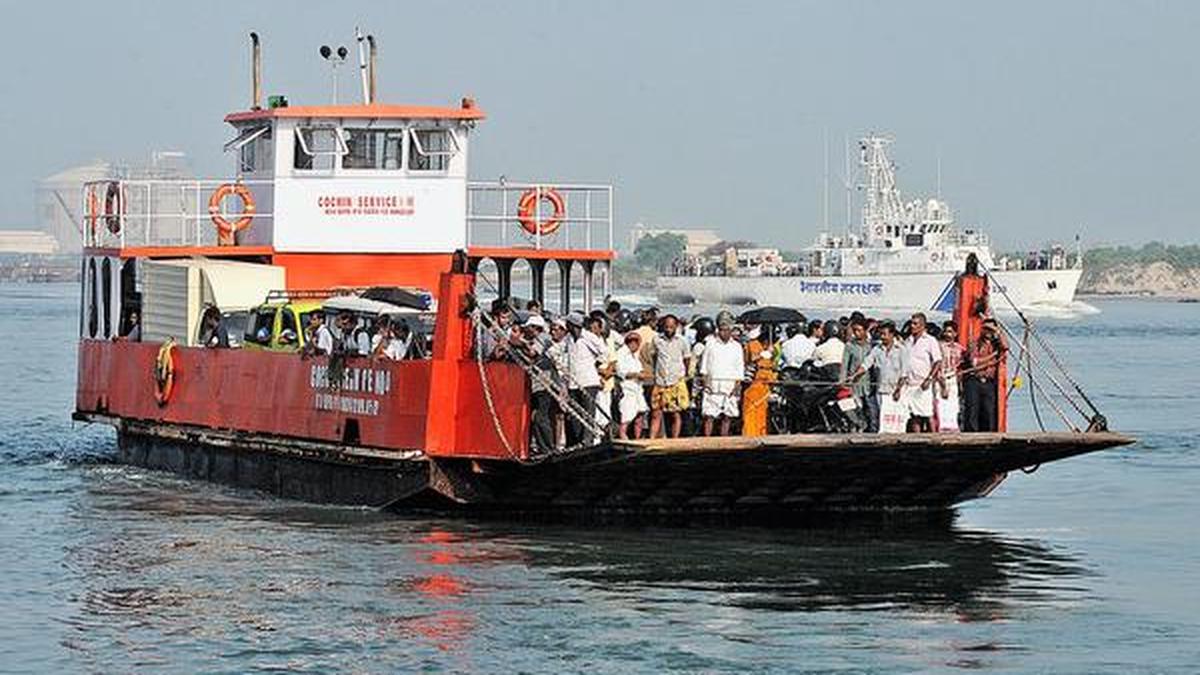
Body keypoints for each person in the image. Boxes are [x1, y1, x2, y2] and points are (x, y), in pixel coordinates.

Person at [858, 321, 909, 432]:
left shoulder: (901, 349)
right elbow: (866, 363)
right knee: (884, 422)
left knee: (898, 421)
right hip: (881, 391)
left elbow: (904, 373)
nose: (882, 337)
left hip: (897, 391)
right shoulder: (877, 349)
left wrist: (898, 390)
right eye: (881, 334)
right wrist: (855, 375)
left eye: (884, 334)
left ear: (892, 334)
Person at [519, 313, 559, 454]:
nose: (527, 331)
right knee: (536, 417)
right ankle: (543, 447)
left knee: (541, 416)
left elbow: (532, 353)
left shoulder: (543, 338)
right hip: (538, 384)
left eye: (529, 328)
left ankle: (548, 447)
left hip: (545, 384)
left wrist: (518, 343)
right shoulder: (539, 339)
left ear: (535, 327)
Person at [699, 319, 744, 436]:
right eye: (722, 330)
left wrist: (737, 384)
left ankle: (724, 443)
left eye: (727, 330)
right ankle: (707, 442)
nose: (725, 333)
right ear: (718, 331)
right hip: (712, 385)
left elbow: (739, 367)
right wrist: (705, 382)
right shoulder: (710, 344)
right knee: (709, 416)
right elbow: (704, 365)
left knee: (727, 416)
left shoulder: (737, 346)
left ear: (731, 331)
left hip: (730, 384)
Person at [566, 313, 605, 446]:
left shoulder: (588, 337)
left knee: (588, 412)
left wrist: (596, 364)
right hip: (573, 382)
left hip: (588, 381)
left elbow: (603, 351)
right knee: (575, 414)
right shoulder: (569, 339)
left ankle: (587, 440)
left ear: (572, 325)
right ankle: (578, 441)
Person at [649, 314, 690, 439]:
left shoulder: (682, 341)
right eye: (666, 327)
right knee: (656, 412)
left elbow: (686, 359)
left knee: (675, 413)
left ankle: (674, 440)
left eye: (671, 327)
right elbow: (654, 357)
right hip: (660, 381)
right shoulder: (657, 340)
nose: (668, 330)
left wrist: (684, 374)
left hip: (676, 380)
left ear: (676, 326)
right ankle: (651, 439)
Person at [963, 317, 1007, 432]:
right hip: (974, 380)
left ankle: (988, 435)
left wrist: (997, 331)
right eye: (986, 328)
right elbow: (974, 362)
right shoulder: (975, 343)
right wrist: (993, 356)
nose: (988, 332)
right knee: (972, 410)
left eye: (990, 329)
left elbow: (1006, 346)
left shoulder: (996, 344)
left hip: (989, 382)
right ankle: (971, 436)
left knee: (988, 410)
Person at [903, 312, 942, 432]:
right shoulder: (908, 340)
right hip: (910, 384)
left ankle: (935, 440)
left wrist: (929, 379)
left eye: (915, 324)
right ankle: (917, 441)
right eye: (911, 323)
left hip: (924, 383)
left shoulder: (930, 340)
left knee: (928, 414)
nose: (912, 326)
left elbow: (937, 361)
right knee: (914, 416)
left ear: (922, 326)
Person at [741, 325, 776, 437]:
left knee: (763, 412)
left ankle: (762, 433)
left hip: (766, 383)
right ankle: (749, 434)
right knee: (751, 410)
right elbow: (749, 359)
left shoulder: (771, 347)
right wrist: (763, 354)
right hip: (754, 382)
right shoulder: (752, 345)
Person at [841, 317, 874, 431]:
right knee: (855, 410)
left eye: (859, 330)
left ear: (865, 331)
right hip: (854, 384)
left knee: (870, 410)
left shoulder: (871, 346)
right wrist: (843, 381)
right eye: (854, 330)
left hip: (869, 384)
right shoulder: (850, 346)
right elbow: (845, 365)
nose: (856, 333)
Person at [614, 331, 649, 439]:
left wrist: (642, 374)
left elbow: (640, 370)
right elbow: (621, 372)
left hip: (637, 388)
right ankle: (623, 436)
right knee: (627, 416)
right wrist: (636, 375)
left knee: (640, 413)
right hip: (627, 388)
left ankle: (637, 438)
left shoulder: (634, 356)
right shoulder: (621, 353)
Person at [937, 320, 965, 431]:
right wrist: (942, 384)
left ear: (955, 334)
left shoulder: (959, 348)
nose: (947, 334)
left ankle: (953, 428)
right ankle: (941, 428)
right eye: (946, 331)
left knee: (953, 405)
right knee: (941, 404)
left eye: (950, 332)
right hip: (941, 378)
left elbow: (963, 363)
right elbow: (937, 365)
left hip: (953, 378)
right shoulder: (938, 346)